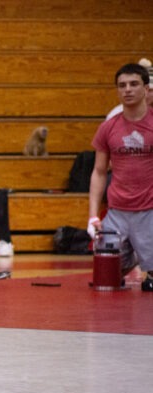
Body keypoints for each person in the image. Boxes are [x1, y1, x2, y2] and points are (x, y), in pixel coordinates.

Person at [87, 63, 153, 292]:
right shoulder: (108, 128)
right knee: (105, 279)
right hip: (117, 211)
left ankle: (144, 253)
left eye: (134, 84)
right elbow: (98, 171)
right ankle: (133, 252)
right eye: (122, 85)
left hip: (149, 210)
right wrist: (93, 216)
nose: (128, 90)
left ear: (146, 89)